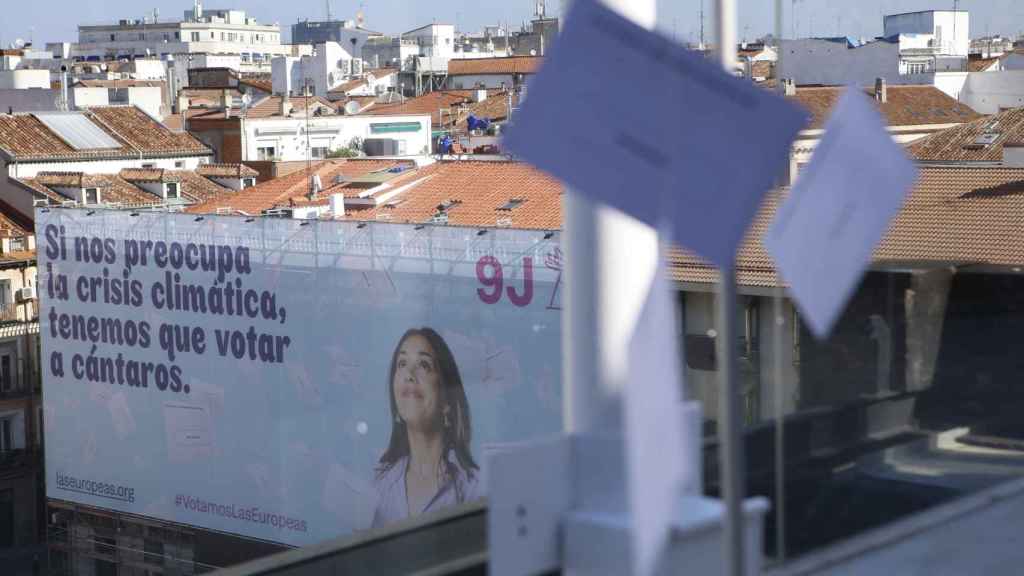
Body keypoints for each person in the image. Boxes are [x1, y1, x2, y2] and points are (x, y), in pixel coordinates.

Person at [372, 328, 480, 528]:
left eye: (424, 364)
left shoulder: (473, 488)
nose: (409, 375)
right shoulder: (379, 484)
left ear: (447, 400)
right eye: (402, 363)